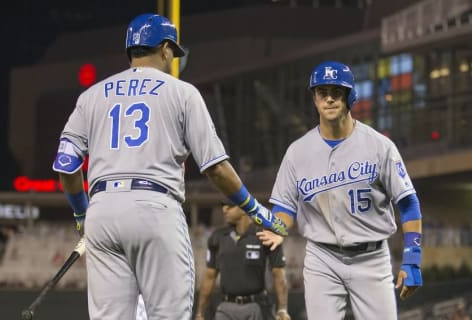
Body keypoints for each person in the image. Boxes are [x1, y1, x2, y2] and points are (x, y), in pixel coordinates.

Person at [51, 13, 288, 320]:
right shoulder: (181, 92)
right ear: (164, 48)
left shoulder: (91, 95)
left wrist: (81, 212)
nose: (172, 59)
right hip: (153, 207)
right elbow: (215, 168)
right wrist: (254, 208)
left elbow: (66, 163)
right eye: (172, 53)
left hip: (102, 212)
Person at [259, 61, 423, 319]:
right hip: (322, 258)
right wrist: (279, 229)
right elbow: (285, 207)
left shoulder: (380, 146)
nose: (330, 99)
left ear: (350, 96)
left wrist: (412, 258)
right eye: (322, 92)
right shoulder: (297, 152)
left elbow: (408, 204)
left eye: (337, 92)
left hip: (371, 256)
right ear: (314, 98)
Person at [195, 202, 291, 320]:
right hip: (226, 307)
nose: (225, 209)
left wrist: (282, 309)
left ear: (244, 209)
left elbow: (278, 274)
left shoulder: (264, 235)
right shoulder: (218, 237)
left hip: (256, 306)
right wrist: (200, 313)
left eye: (230, 206)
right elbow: (209, 276)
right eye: (223, 206)